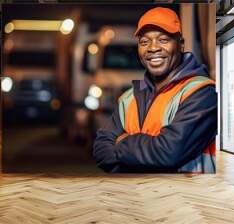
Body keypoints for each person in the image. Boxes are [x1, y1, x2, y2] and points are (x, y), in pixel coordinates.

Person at [93, 7, 217, 173]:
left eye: (163, 40)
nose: (153, 48)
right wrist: (148, 148)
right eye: (144, 42)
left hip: (187, 195)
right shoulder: (129, 98)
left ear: (180, 44)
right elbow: (101, 150)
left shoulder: (201, 93)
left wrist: (121, 143)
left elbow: (168, 152)